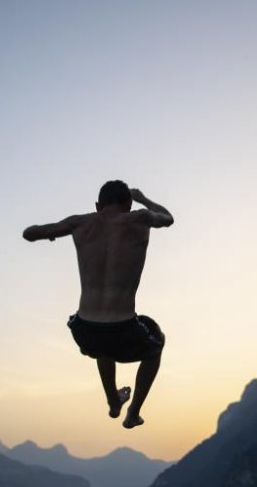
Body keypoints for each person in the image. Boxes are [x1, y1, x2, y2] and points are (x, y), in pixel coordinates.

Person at [23, 180, 174, 429]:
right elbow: (167, 218)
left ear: (97, 206)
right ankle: (133, 412)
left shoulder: (80, 223)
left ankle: (114, 402)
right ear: (128, 204)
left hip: (85, 330)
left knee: (103, 346)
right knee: (156, 343)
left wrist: (49, 232)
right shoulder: (140, 218)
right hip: (123, 328)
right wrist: (143, 198)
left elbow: (29, 233)